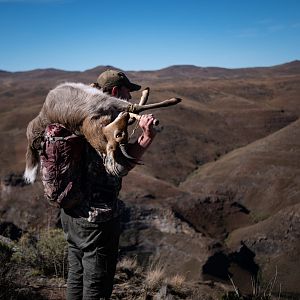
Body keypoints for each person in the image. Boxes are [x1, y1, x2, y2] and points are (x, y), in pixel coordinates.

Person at [60, 70, 157, 300]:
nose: (130, 99)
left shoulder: (79, 111)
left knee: (76, 274)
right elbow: (118, 167)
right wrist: (146, 137)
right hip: (95, 219)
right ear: (114, 91)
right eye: (126, 93)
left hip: (71, 211)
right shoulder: (105, 122)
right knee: (97, 285)